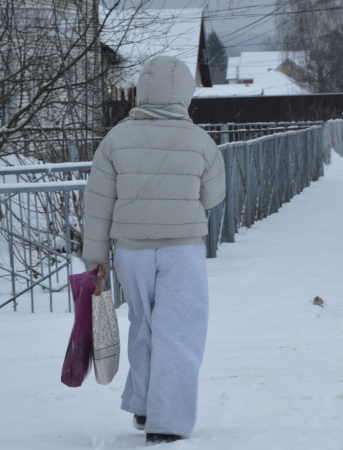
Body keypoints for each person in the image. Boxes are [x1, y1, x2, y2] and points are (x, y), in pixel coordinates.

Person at [82, 56, 225, 446]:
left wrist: (97, 258)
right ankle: (168, 421)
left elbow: (97, 204)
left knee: (143, 325)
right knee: (179, 331)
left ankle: (145, 405)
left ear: (142, 91)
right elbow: (213, 195)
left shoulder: (116, 139)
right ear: (185, 94)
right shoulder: (199, 140)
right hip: (182, 249)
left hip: (132, 252)